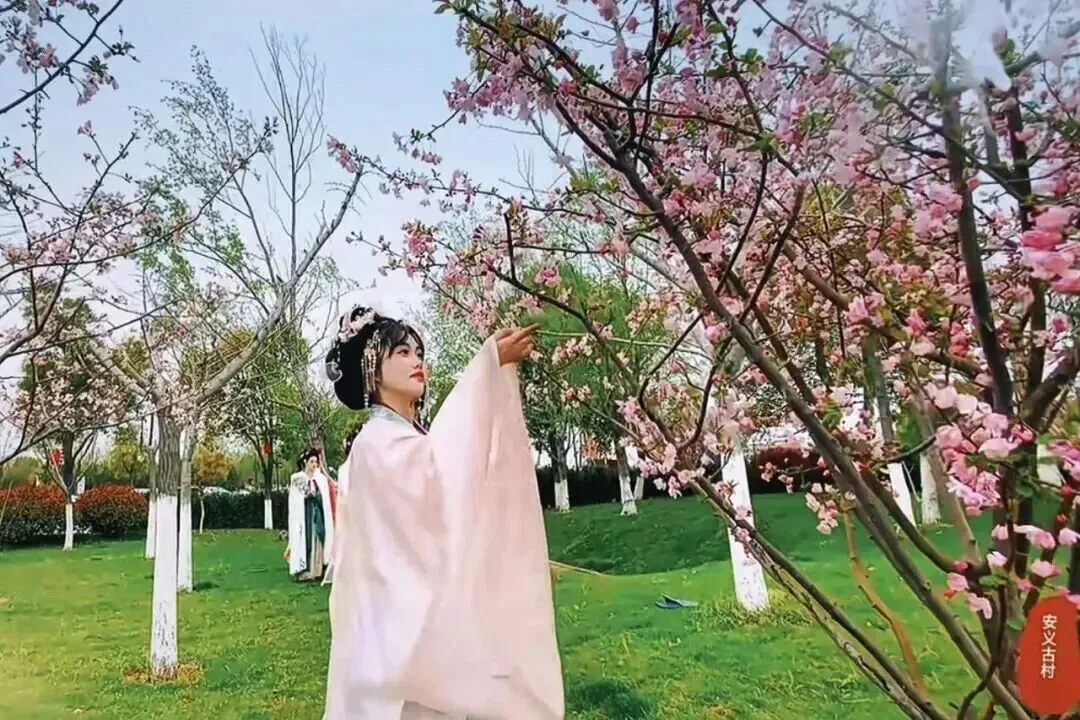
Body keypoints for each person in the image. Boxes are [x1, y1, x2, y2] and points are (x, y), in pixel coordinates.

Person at [323, 306, 564, 719]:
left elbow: (444, 484)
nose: (417, 361)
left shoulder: (404, 437)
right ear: (372, 369)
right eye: (402, 353)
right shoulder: (375, 444)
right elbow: (442, 469)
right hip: (396, 622)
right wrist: (485, 369)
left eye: (418, 352)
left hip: (420, 615)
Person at [286, 448, 335, 582]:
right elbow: (295, 501)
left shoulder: (321, 479)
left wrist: (317, 498)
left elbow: (325, 499)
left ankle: (317, 569)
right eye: (311, 461)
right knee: (305, 541)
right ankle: (304, 569)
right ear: (305, 462)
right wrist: (306, 497)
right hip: (304, 515)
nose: (314, 464)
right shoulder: (298, 479)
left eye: (316, 462)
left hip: (318, 514)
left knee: (318, 539)